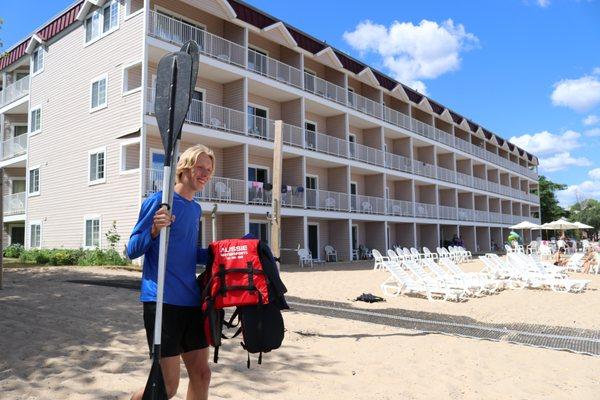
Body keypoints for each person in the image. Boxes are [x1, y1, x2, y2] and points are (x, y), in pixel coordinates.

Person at [127, 144, 215, 400]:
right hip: (162, 302)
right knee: (167, 386)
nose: (204, 174)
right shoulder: (158, 202)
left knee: (202, 374)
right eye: (200, 167)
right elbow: (132, 249)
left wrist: (220, 253)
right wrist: (154, 231)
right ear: (184, 168)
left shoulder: (195, 208)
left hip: (191, 301)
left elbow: (187, 254)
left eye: (208, 170)